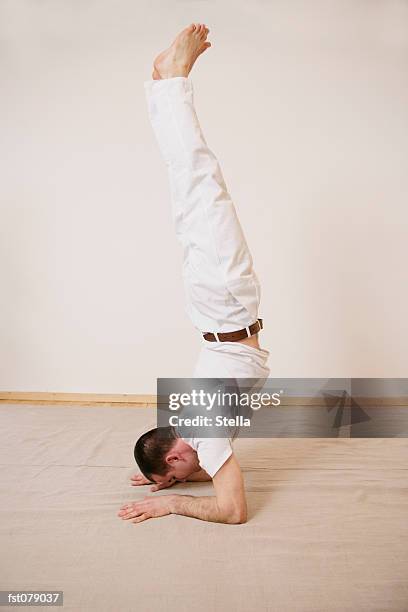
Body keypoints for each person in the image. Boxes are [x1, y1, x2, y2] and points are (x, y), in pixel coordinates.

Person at [118, 23, 270, 525]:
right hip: (215, 306)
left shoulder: (201, 430)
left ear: (177, 455)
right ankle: (163, 82)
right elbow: (203, 467)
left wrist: (170, 499)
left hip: (224, 299)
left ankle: (170, 79)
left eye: (180, 473)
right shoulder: (189, 424)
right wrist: (160, 471)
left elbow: (232, 511)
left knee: (200, 183)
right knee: (191, 188)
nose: (191, 478)